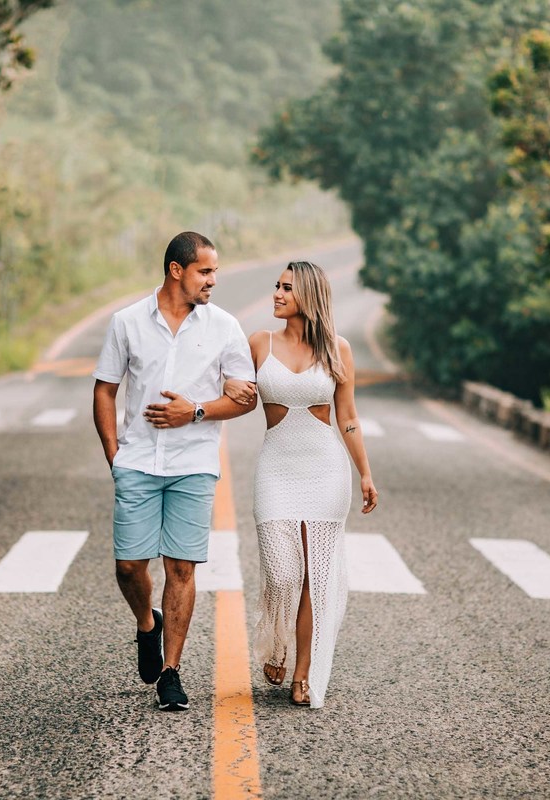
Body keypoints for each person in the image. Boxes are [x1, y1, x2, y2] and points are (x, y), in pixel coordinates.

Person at [92, 231, 257, 712]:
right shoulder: (127, 322)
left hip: (194, 465)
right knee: (129, 567)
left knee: (181, 568)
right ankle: (148, 624)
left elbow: (245, 398)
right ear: (176, 270)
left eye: (215, 272)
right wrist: (114, 455)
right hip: (138, 462)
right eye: (205, 271)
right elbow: (105, 390)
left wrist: (197, 411)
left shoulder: (224, 327)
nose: (212, 280)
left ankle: (171, 671)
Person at [239, 260, 378, 708]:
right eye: (276, 286)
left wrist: (365, 472)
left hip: (325, 469)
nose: (277, 294)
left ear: (309, 296)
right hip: (275, 469)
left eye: (287, 288)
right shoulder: (259, 343)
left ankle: (302, 674)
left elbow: (348, 417)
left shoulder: (338, 349)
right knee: (282, 571)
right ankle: (276, 641)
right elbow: (235, 395)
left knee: (314, 576)